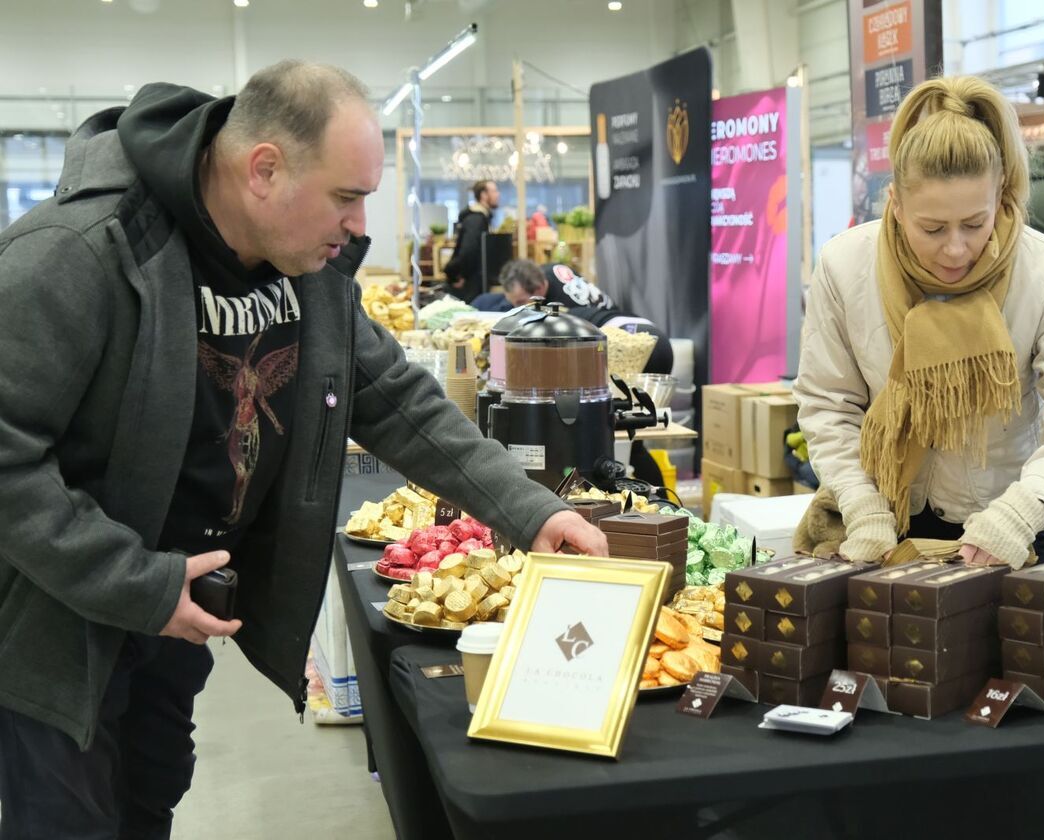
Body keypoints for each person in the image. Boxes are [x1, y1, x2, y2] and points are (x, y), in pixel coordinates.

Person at [0, 61, 606, 839]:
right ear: (264, 170)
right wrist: (134, 582)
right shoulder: (80, 252)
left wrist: (529, 509)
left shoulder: (307, 272)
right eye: (347, 197)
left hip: (175, 618)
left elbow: (396, 399)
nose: (360, 227)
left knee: (145, 807)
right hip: (58, 633)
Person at [794, 76, 1044, 569]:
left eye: (975, 223)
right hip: (880, 520)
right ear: (896, 204)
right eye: (932, 228)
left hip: (999, 528)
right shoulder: (846, 267)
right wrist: (860, 504)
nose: (955, 249)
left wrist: (1023, 510)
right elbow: (828, 404)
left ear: (1002, 198)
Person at [500, 259, 673, 375]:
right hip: (642, 327)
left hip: (623, 337)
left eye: (521, 302)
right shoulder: (551, 270)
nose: (519, 308)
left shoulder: (560, 311)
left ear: (537, 289)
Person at [443, 179, 499, 303]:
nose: (497, 194)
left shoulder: (482, 217)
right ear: (484, 195)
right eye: (494, 191)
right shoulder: (476, 219)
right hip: (468, 283)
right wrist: (460, 275)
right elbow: (469, 249)